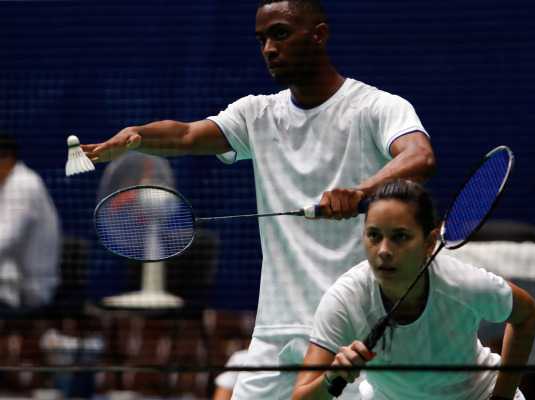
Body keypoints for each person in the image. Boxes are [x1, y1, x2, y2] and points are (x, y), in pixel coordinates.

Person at [82, 1, 435, 398]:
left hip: (353, 328)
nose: (269, 48)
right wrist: (137, 137)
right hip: (275, 332)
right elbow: (185, 135)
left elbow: (419, 156)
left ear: (319, 35)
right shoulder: (257, 115)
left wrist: (361, 193)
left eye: (280, 33)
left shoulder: (376, 107)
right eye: (262, 38)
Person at [292, 180, 535, 400]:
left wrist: (501, 398)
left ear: (430, 243)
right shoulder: (346, 299)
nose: (384, 250)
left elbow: (526, 315)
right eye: (374, 236)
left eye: (400, 237)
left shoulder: (461, 283)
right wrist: (331, 377)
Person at [0, 132, 61, 313]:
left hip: (30, 292)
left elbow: (6, 239)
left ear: (6, 158)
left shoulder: (23, 184)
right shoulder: (6, 183)